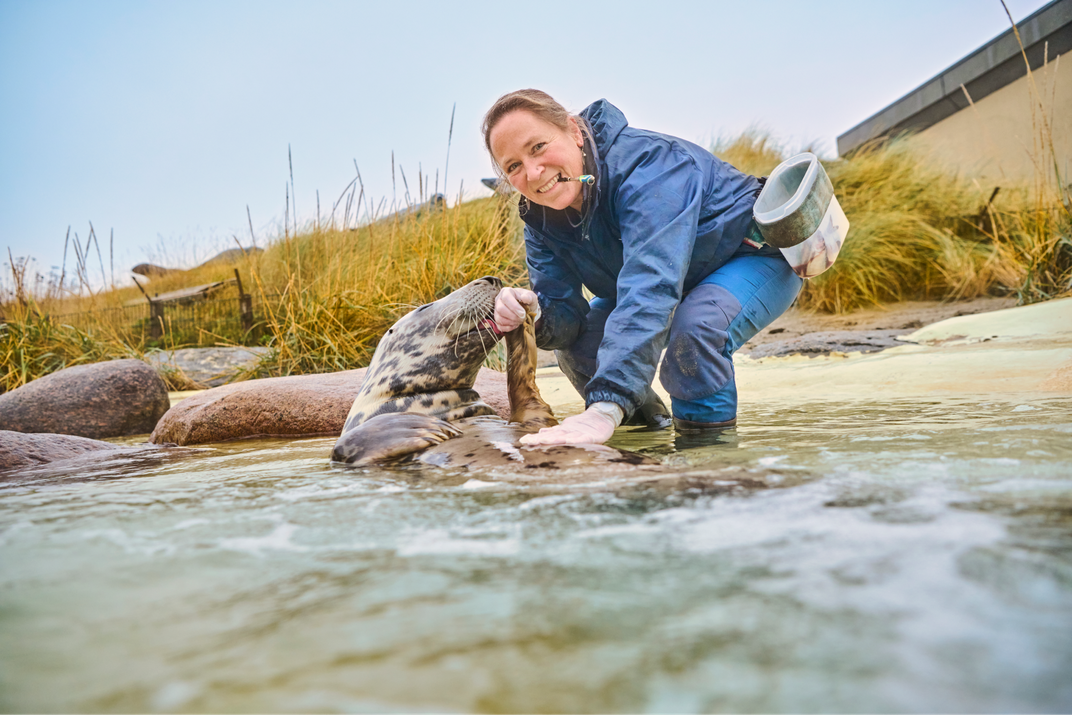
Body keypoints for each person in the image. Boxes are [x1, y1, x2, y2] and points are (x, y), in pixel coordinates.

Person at [484, 89, 802, 446]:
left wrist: (606, 405)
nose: (533, 172)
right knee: (579, 347)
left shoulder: (649, 167)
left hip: (748, 256)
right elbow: (565, 317)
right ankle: (651, 436)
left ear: (573, 131)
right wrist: (533, 313)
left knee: (694, 331)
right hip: (668, 282)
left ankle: (709, 457)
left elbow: (650, 285)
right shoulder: (538, 219)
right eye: (513, 166)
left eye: (538, 147)